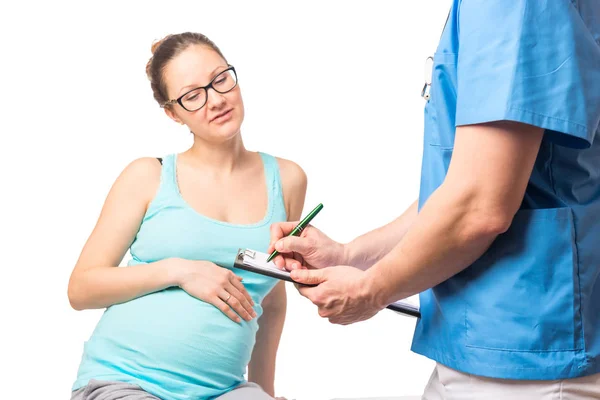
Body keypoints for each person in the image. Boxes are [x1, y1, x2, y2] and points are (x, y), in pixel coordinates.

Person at [268, 1, 600, 398]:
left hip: (529, 355)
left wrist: (371, 290)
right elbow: (461, 187)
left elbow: (478, 206)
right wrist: (349, 255)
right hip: (486, 342)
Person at [67, 32, 307, 400]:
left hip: (223, 390)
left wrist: (265, 392)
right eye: (193, 96)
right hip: (125, 381)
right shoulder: (148, 175)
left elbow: (272, 300)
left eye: (221, 79)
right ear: (172, 113)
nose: (216, 100)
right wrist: (180, 270)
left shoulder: (288, 180)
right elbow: (81, 289)